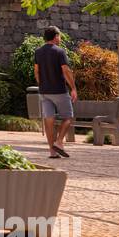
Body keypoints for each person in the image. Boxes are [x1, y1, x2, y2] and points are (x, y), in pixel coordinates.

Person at [34, 26, 77, 159]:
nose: (60, 38)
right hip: (59, 91)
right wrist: (73, 88)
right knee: (68, 117)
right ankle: (58, 142)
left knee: (49, 121)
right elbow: (66, 71)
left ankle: (52, 152)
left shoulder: (38, 52)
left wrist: (41, 84)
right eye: (59, 36)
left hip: (44, 92)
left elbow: (36, 71)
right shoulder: (60, 52)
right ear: (55, 37)